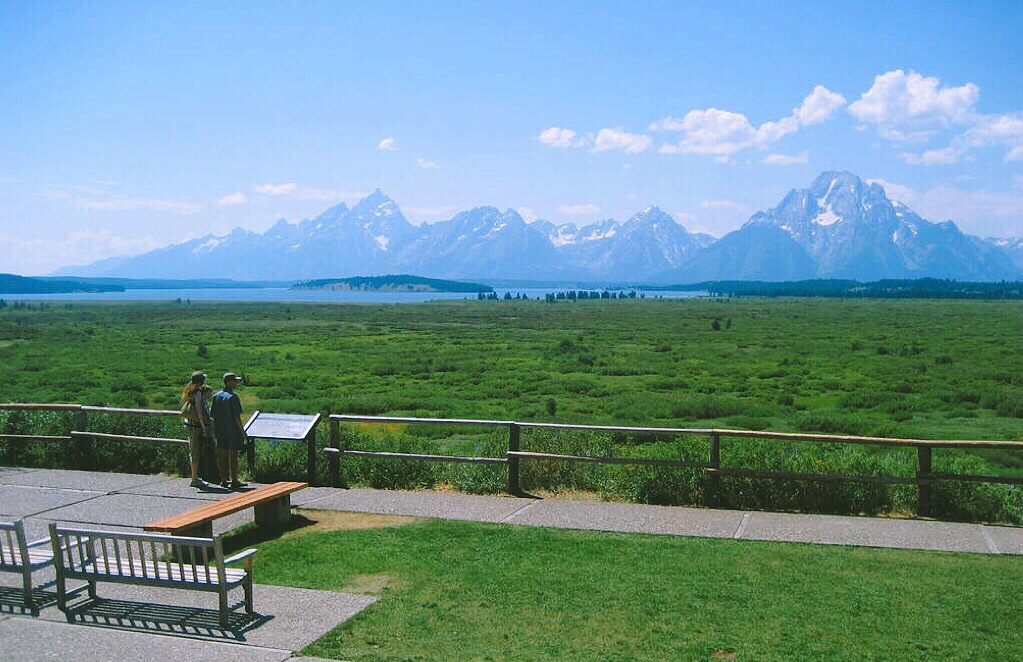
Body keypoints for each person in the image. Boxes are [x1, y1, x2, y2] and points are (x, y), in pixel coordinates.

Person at [211, 371, 249, 489]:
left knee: (221, 455)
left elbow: (212, 415)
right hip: (232, 430)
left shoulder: (216, 396)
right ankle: (234, 479)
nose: (237, 383)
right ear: (229, 382)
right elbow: (236, 417)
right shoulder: (233, 397)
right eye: (235, 381)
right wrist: (243, 432)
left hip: (219, 430)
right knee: (233, 456)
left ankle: (223, 479)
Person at [180, 370, 213, 489]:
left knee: (193, 451)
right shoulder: (198, 393)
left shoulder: (189, 391)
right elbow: (199, 411)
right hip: (195, 427)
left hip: (189, 425)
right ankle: (194, 478)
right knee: (195, 453)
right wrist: (204, 426)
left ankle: (195, 477)